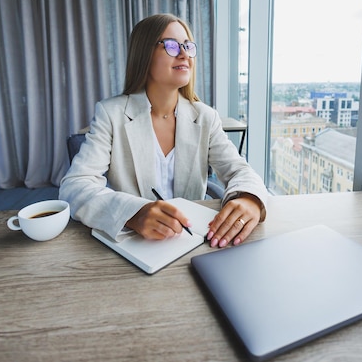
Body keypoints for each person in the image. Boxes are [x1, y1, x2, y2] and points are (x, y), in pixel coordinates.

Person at [59, 13, 267, 248]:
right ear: (144, 55)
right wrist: (133, 213)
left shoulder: (206, 117)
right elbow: (74, 186)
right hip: (136, 243)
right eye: (170, 45)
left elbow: (240, 170)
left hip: (193, 240)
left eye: (188, 46)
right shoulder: (111, 113)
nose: (184, 54)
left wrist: (250, 198)